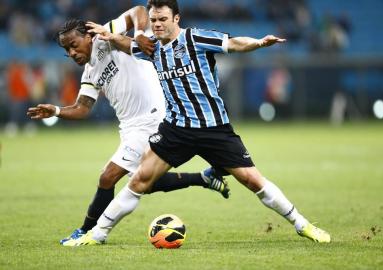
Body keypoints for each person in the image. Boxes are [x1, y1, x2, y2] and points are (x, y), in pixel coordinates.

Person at [68, 0, 331, 246]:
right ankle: (97, 235)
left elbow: (234, 43)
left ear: (176, 18)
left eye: (162, 19)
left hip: (213, 128)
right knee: (139, 181)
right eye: (153, 19)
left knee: (252, 180)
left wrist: (259, 43)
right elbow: (127, 46)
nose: (157, 24)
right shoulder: (152, 48)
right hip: (176, 129)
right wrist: (111, 35)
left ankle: (303, 225)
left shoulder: (195, 38)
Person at [27, 6, 230, 244]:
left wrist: (142, 34)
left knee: (108, 177)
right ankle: (204, 178)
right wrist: (57, 110)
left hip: (151, 119)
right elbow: (82, 108)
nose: (71, 52)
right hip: (130, 127)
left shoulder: (106, 38)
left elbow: (137, 11)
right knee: (146, 182)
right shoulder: (89, 73)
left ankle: (86, 231)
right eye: (66, 50)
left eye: (74, 44)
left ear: (88, 36)